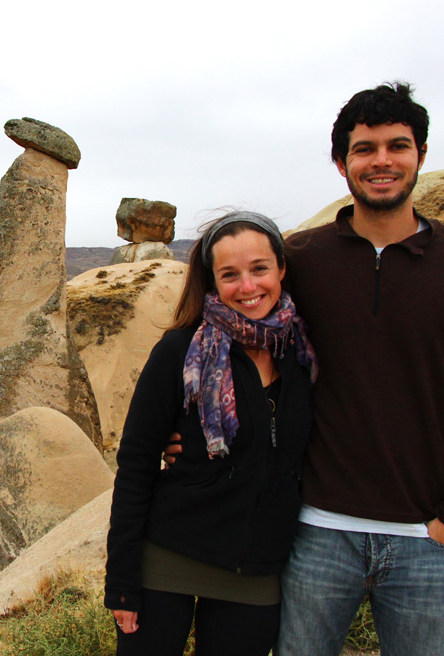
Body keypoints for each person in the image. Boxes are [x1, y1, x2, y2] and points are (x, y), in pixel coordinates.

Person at [268, 82, 444, 655]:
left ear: (420, 155)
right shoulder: (300, 260)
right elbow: (240, 359)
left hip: (429, 537)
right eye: (364, 148)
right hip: (315, 531)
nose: (381, 161)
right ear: (341, 162)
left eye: (397, 146)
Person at [105, 211, 318, 655]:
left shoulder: (304, 352)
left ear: (281, 268)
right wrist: (122, 578)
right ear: (212, 282)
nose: (248, 286)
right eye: (230, 274)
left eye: (259, 269)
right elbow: (137, 462)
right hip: (166, 562)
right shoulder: (181, 350)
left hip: (256, 574)